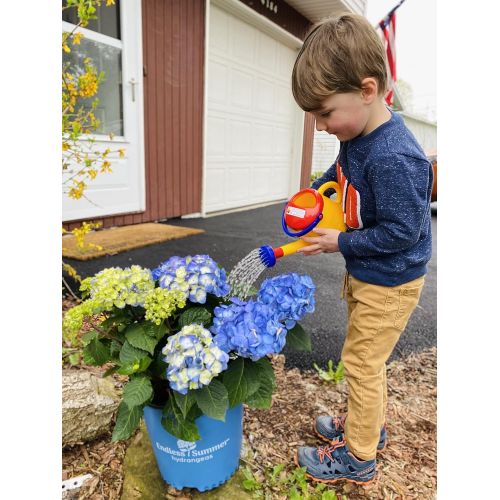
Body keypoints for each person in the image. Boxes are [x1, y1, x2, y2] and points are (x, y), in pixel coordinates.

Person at [291, 13, 433, 485]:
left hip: (390, 282)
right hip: (369, 273)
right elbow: (339, 172)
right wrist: (316, 190)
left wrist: (341, 241)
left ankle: (359, 457)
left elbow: (405, 232)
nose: (322, 124)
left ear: (367, 90)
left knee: (361, 363)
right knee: (364, 358)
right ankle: (366, 426)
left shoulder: (395, 156)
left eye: (325, 113)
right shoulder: (357, 137)